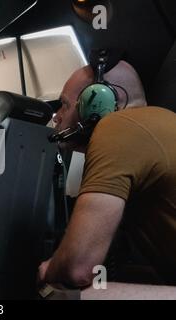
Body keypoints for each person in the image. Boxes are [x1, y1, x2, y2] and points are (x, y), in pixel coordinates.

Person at [38, 57, 176, 295]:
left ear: (99, 100)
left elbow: (78, 267)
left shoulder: (117, 126)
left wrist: (45, 271)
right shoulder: (160, 121)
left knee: (79, 295)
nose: (57, 116)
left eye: (65, 105)